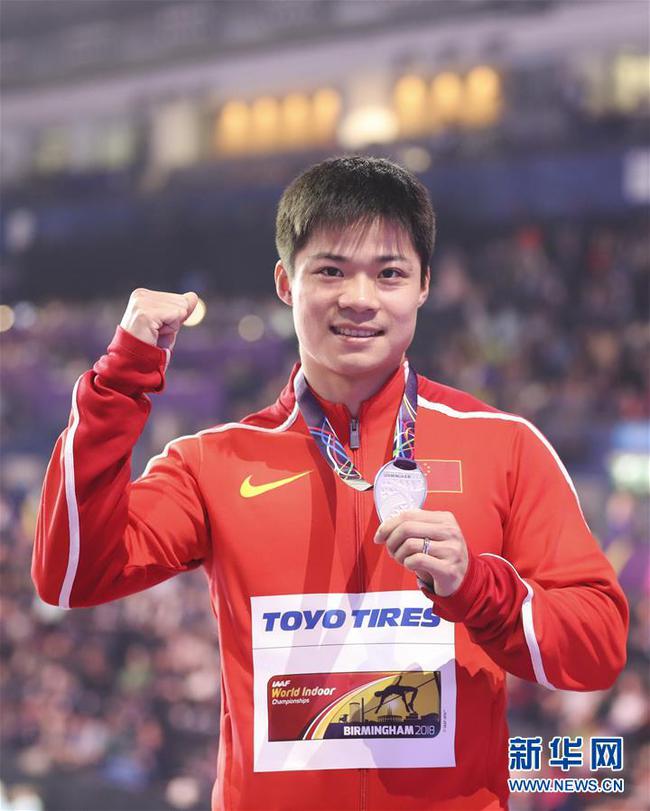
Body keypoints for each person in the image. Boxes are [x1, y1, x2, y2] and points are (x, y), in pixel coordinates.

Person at [33, 156, 628, 810]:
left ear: (424, 286)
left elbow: (598, 649)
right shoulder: (214, 462)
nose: (360, 298)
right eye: (331, 270)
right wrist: (121, 378)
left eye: (389, 273)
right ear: (286, 283)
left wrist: (478, 588)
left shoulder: (505, 447)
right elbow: (71, 575)